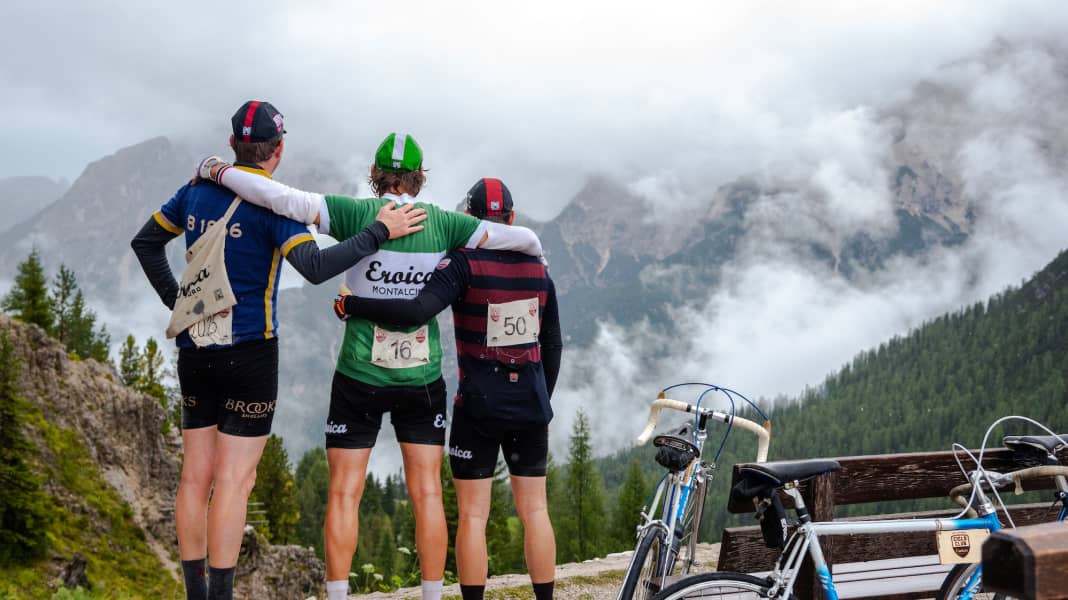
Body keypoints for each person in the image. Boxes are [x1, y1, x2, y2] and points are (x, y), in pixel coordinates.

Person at [195, 134, 545, 600]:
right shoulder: (444, 223)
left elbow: (278, 197)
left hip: (359, 374)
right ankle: (432, 595)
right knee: (428, 494)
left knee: (344, 493)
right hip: (421, 378)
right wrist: (538, 255)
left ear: (375, 175)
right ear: (420, 178)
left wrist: (218, 171)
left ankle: (339, 596)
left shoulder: (358, 214)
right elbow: (519, 238)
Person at [130, 102, 426, 600]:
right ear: (279, 150)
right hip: (252, 353)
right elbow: (313, 266)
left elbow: (146, 242)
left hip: (194, 346)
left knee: (194, 478)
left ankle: (194, 594)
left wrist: (178, 301)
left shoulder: (195, 192)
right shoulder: (275, 206)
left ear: (231, 145)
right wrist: (378, 233)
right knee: (234, 483)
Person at [336, 178, 562, 600]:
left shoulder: (463, 263)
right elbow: (553, 343)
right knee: (535, 511)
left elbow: (416, 311)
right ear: (510, 220)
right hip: (530, 405)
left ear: (471, 221)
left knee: (474, 516)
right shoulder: (539, 269)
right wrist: (540, 397)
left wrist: (353, 305)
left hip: (478, 406)